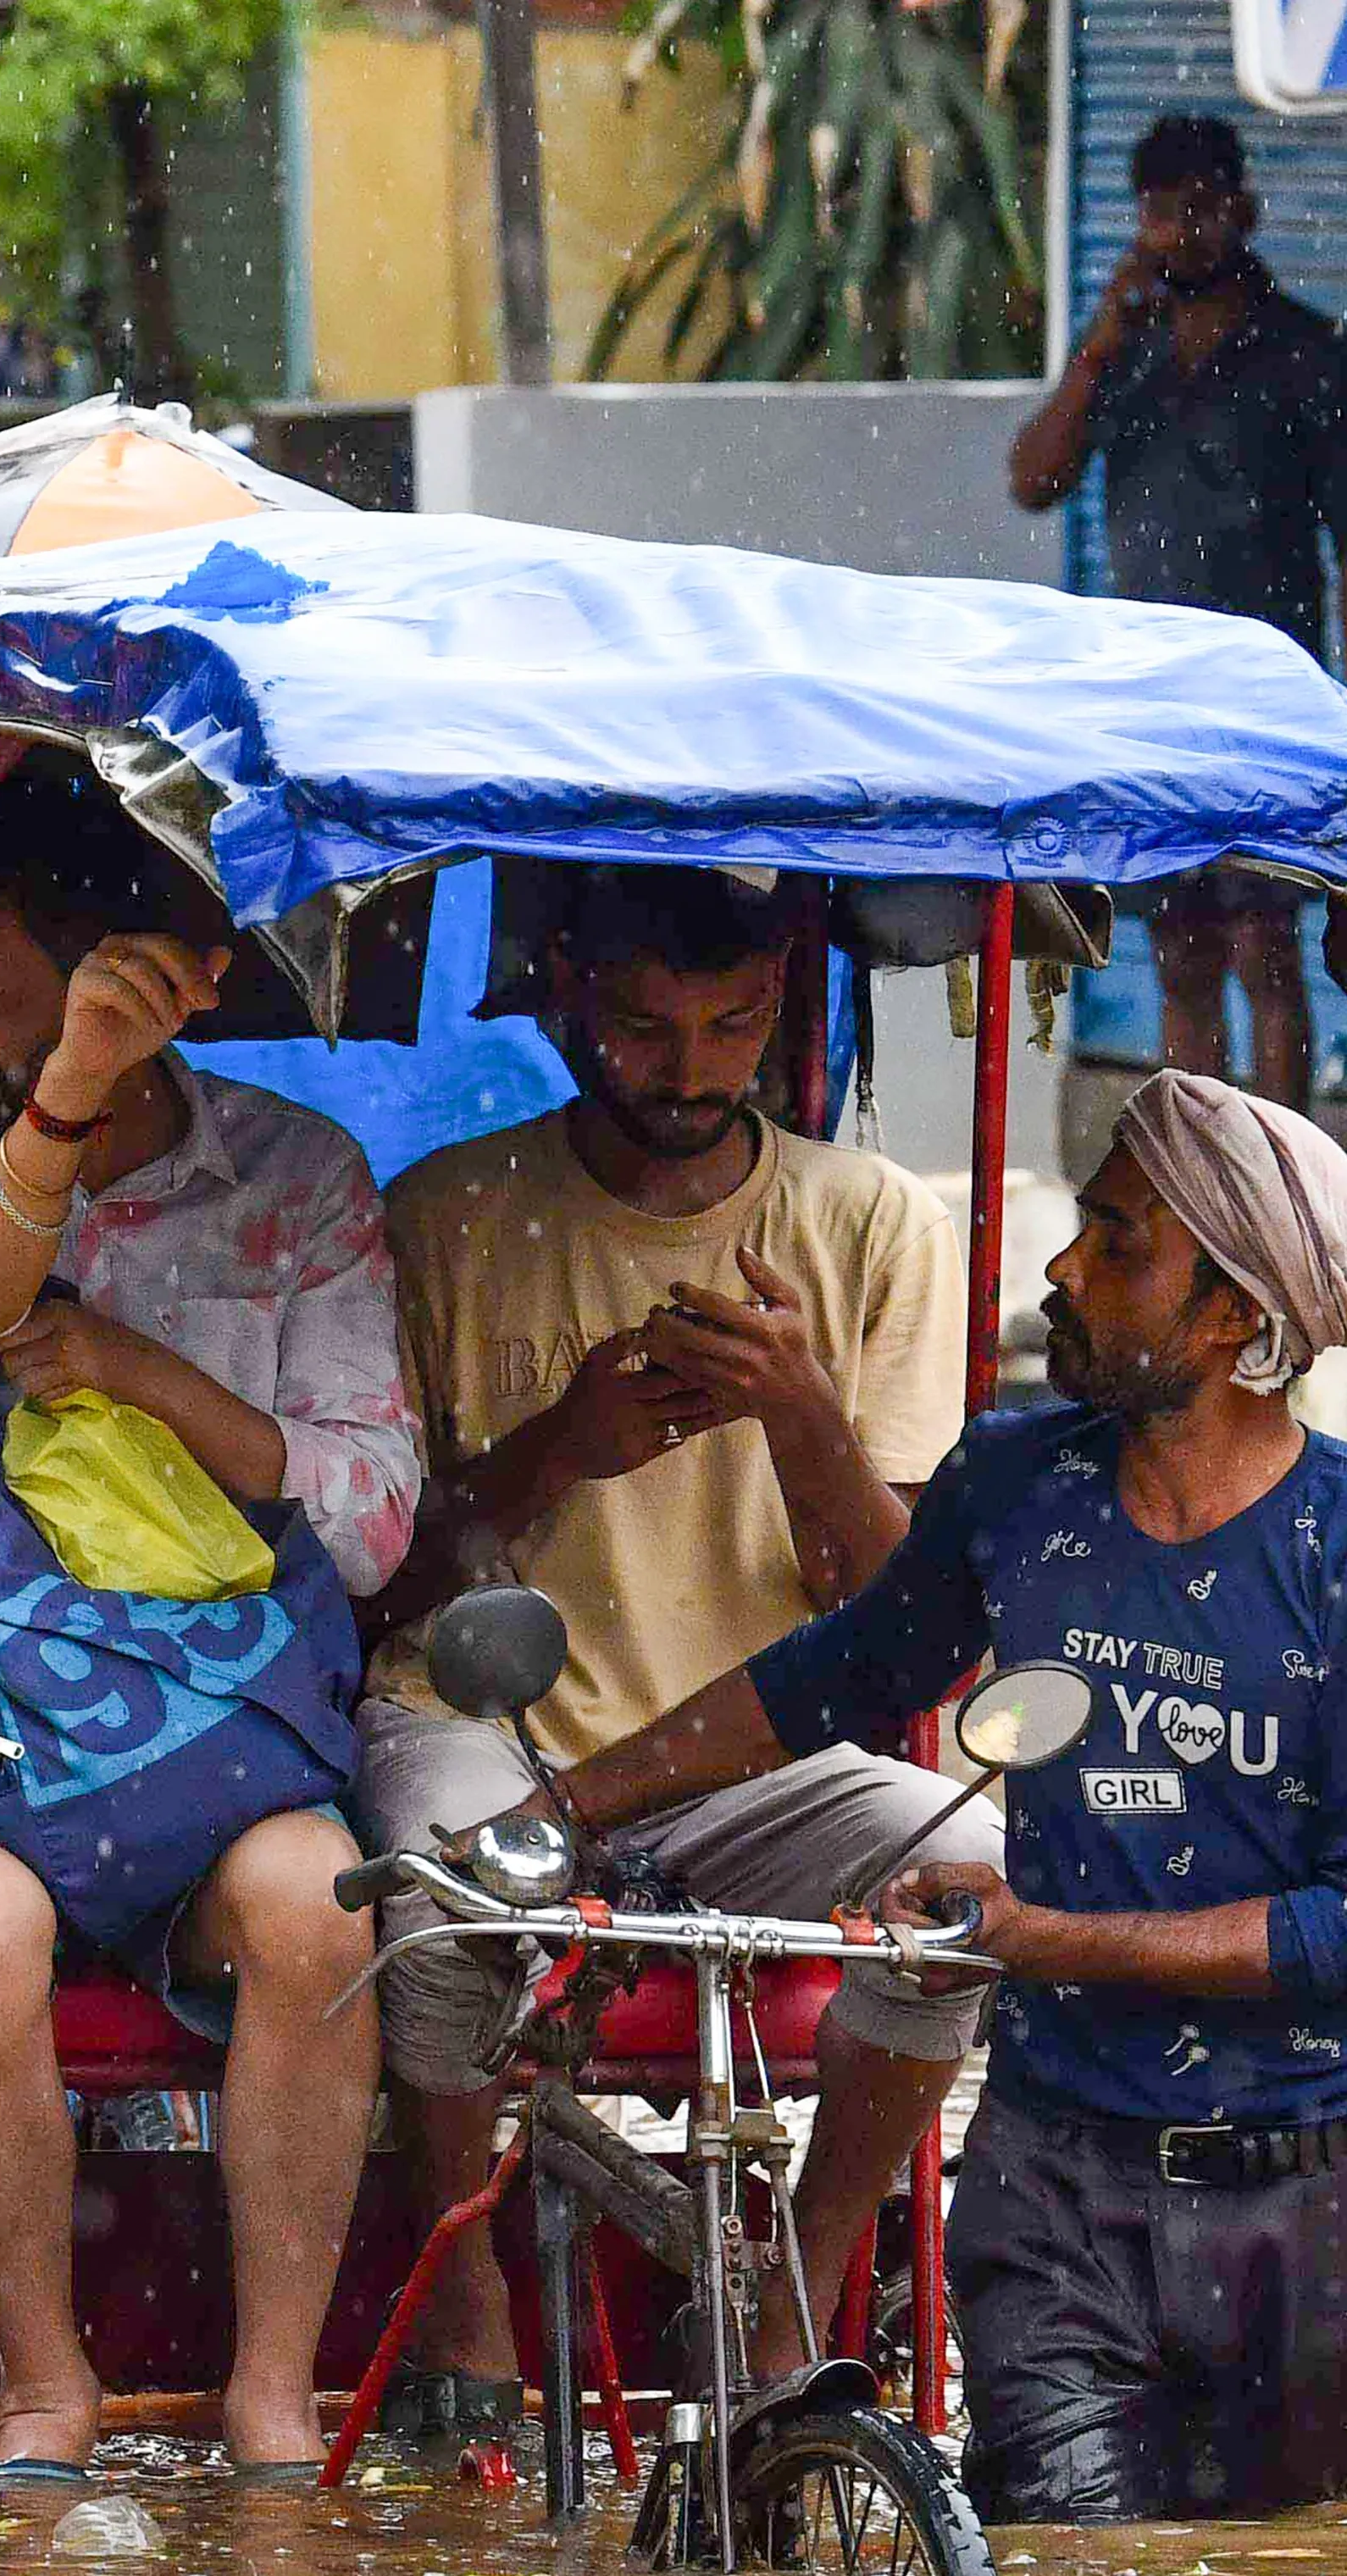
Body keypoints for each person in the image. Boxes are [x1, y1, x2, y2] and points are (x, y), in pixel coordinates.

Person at [542, 1071, 1347, 2521]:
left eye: (1115, 1244)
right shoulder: (1018, 1479)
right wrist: (562, 1808)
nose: (1062, 1271)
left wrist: (1037, 1939)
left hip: (1309, 2212)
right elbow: (844, 1674)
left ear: (1233, 1317)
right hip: (1053, 2189)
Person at [0, 770, 420, 2478]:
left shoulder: (298, 1177)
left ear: (136, 987)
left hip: (221, 1729)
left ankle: (276, 2395)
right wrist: (58, 1093)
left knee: (319, 1908)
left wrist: (145, 1381)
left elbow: (370, 1526)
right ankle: (44, 2384)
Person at [357, 865, 983, 2424]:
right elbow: (373, 1586)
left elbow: (905, 1622)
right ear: (564, 992)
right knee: (438, 1921)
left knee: (968, 1895)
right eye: (643, 1029)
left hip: (754, 1749)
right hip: (489, 1729)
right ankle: (467, 2291)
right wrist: (559, 1446)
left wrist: (799, 1410)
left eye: (732, 1028)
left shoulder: (873, 1222)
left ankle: (796, 2278)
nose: (691, 1075)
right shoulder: (446, 1213)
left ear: (783, 1001)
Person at [1006, 113, 1347, 1113]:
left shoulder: (1310, 353)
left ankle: (1274, 1171)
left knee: (1267, 949)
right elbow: (1032, 480)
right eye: (1160, 212)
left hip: (1267, 697)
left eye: (1200, 208)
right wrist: (1096, 347)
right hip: (1153, 697)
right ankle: (1194, 1179)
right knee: (1177, 948)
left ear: (1243, 213)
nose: (1180, 231)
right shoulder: (1123, 356)